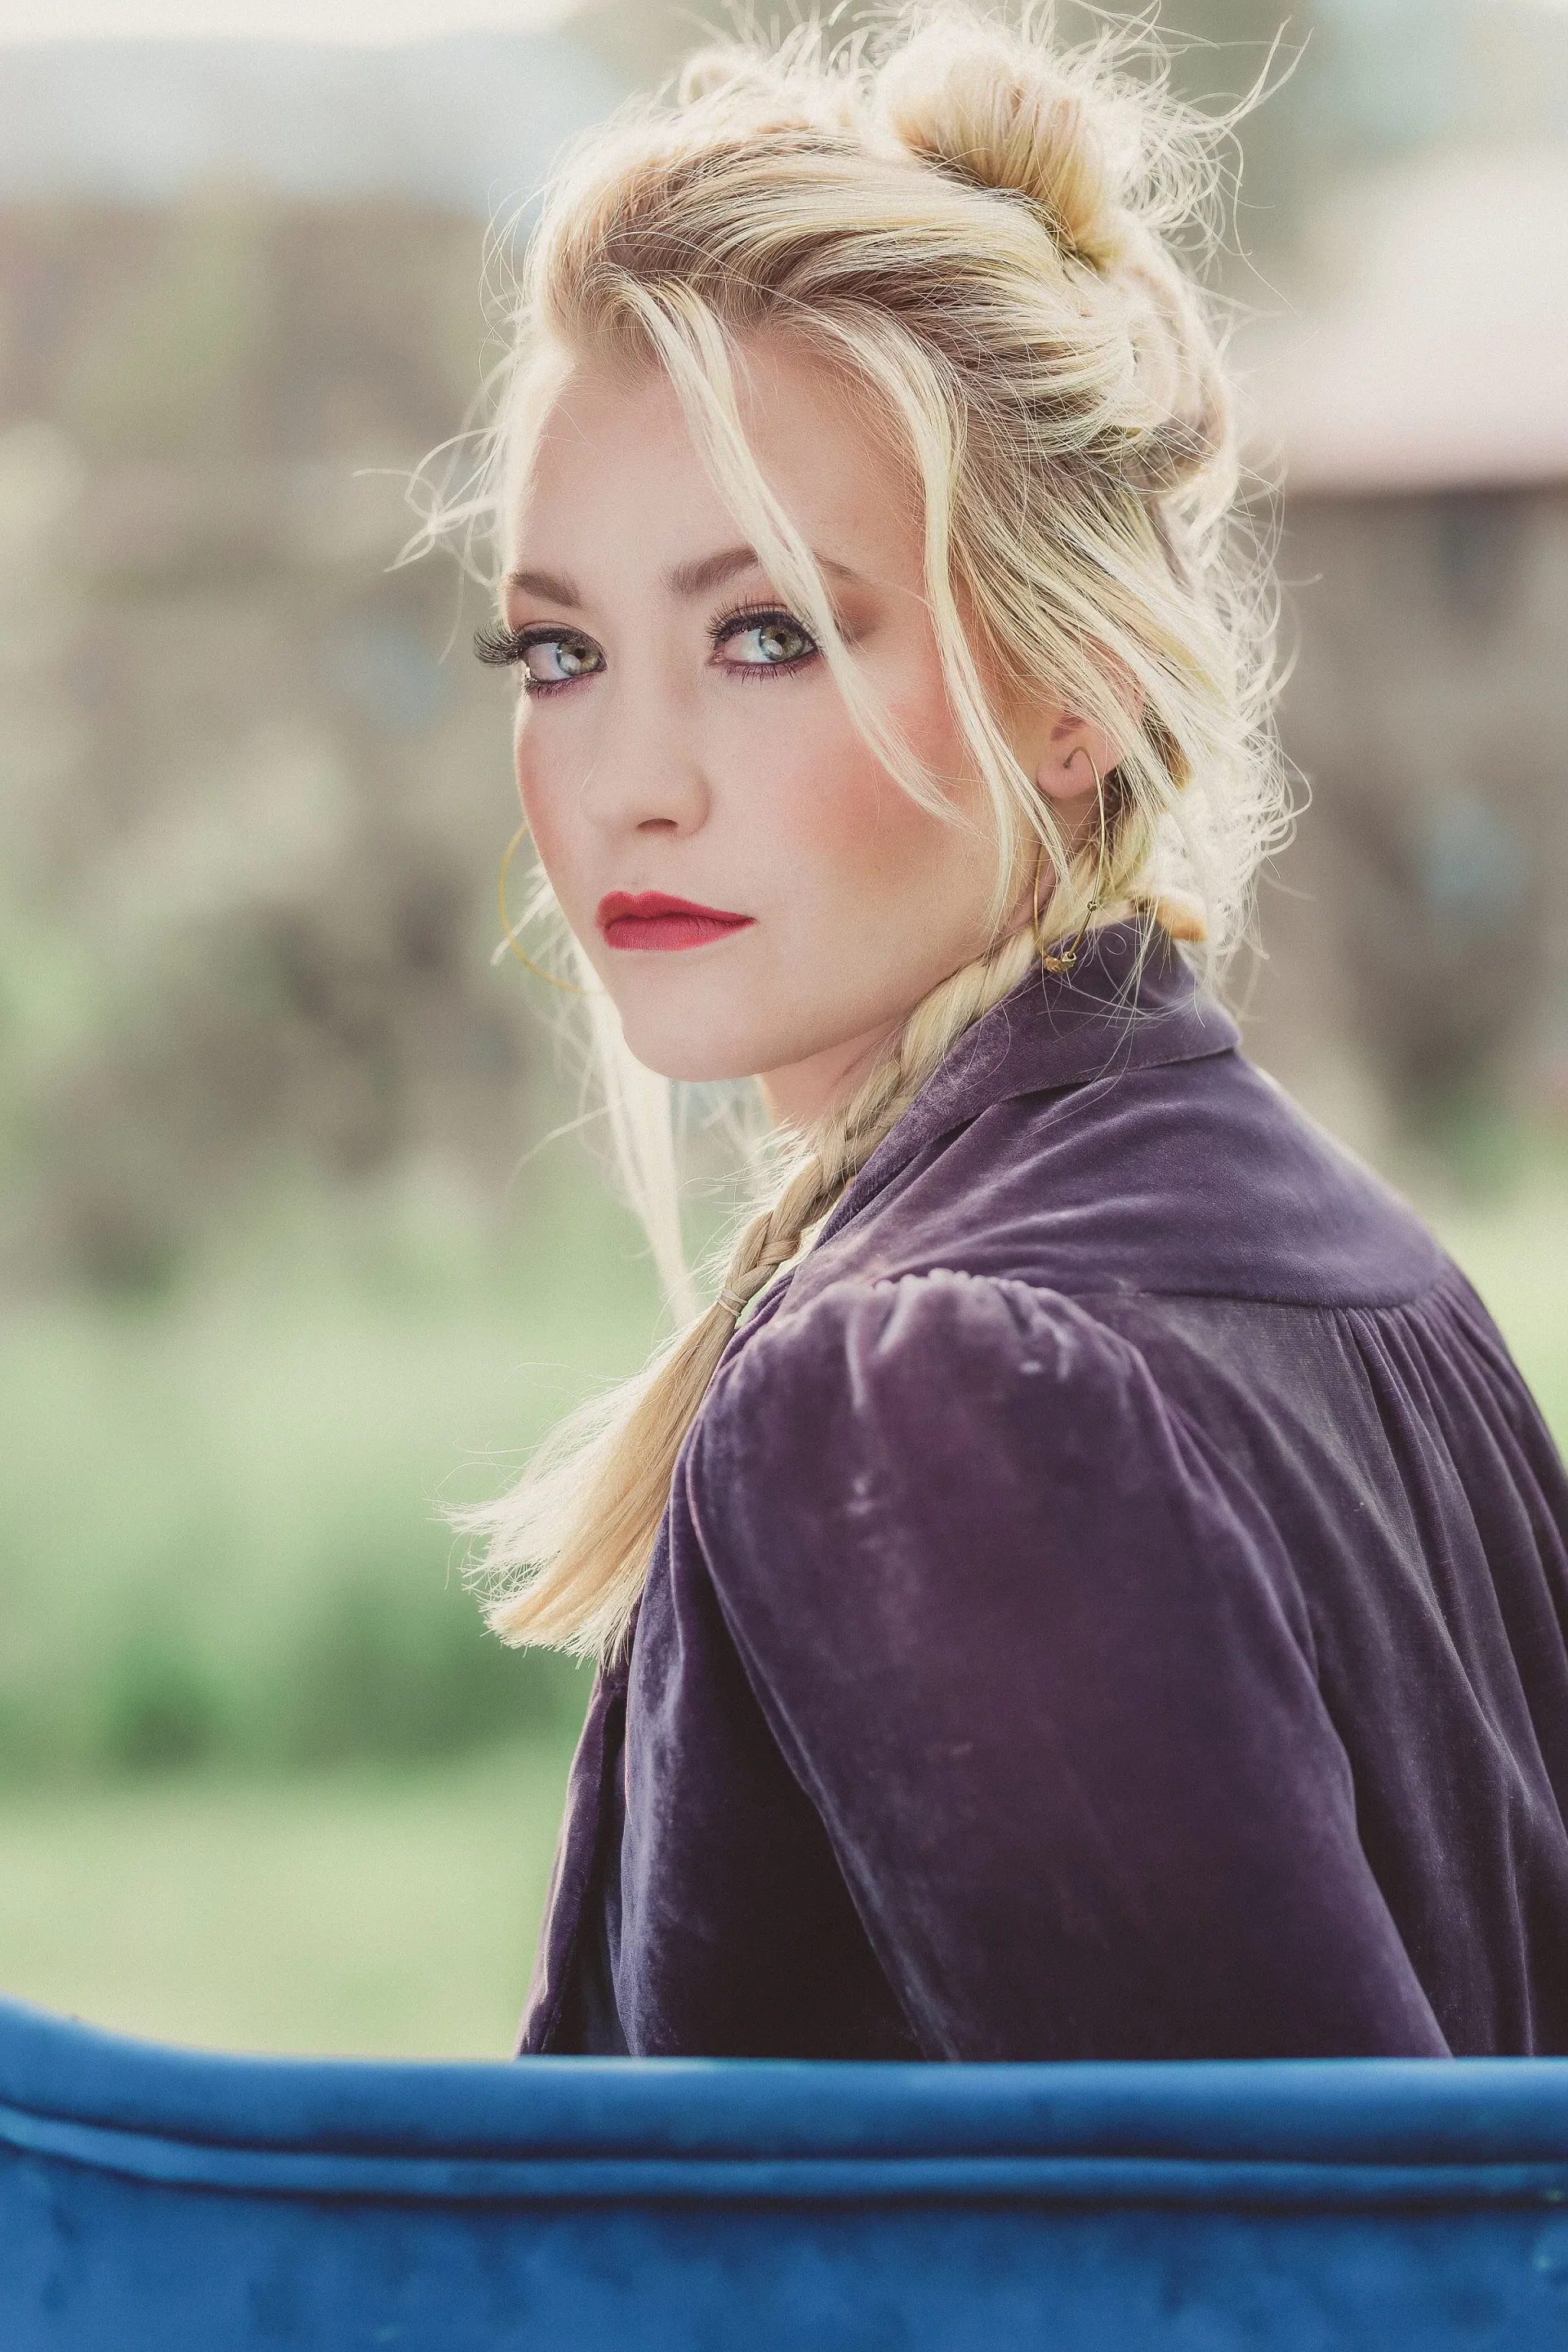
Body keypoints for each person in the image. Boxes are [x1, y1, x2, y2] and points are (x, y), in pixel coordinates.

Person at [444, 4, 1568, 2060]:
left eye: (770, 629)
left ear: (1079, 691)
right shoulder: (1375, 1280)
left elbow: (1306, 2286)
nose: (627, 781)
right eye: (562, 649)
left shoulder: (921, 1397)